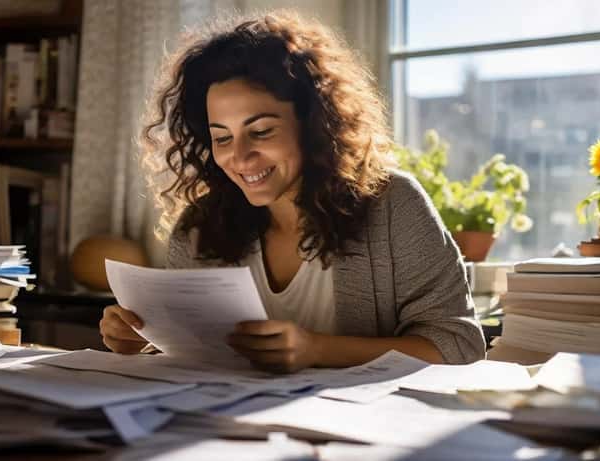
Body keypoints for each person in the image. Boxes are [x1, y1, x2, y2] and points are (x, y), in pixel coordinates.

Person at [99, 10, 485, 373]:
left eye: (261, 131)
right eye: (222, 138)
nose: (240, 157)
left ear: (314, 125)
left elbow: (459, 346)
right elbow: (200, 357)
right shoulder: (199, 227)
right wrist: (147, 340)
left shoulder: (393, 206)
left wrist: (318, 350)